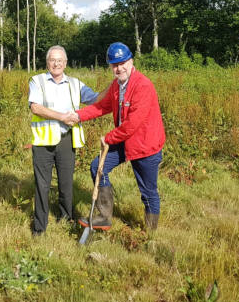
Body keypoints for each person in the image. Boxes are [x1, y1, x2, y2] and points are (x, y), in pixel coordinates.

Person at [64, 42, 165, 231]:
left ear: (131, 61)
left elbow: (132, 125)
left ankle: (151, 233)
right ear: (110, 66)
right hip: (125, 141)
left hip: (145, 145)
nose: (119, 68)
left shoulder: (142, 85)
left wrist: (109, 138)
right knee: (98, 168)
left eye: (122, 63)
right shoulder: (117, 85)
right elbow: (103, 106)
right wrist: (78, 116)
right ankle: (104, 216)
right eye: (114, 64)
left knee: (148, 191)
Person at [28, 45, 100, 236]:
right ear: (47, 62)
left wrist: (117, 84)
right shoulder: (37, 81)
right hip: (43, 142)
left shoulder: (76, 84)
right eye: (53, 60)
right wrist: (62, 117)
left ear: (66, 63)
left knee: (66, 183)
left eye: (60, 60)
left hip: (67, 140)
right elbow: (36, 108)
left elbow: (96, 99)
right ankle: (39, 227)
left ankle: (66, 219)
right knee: (42, 185)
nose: (56, 63)